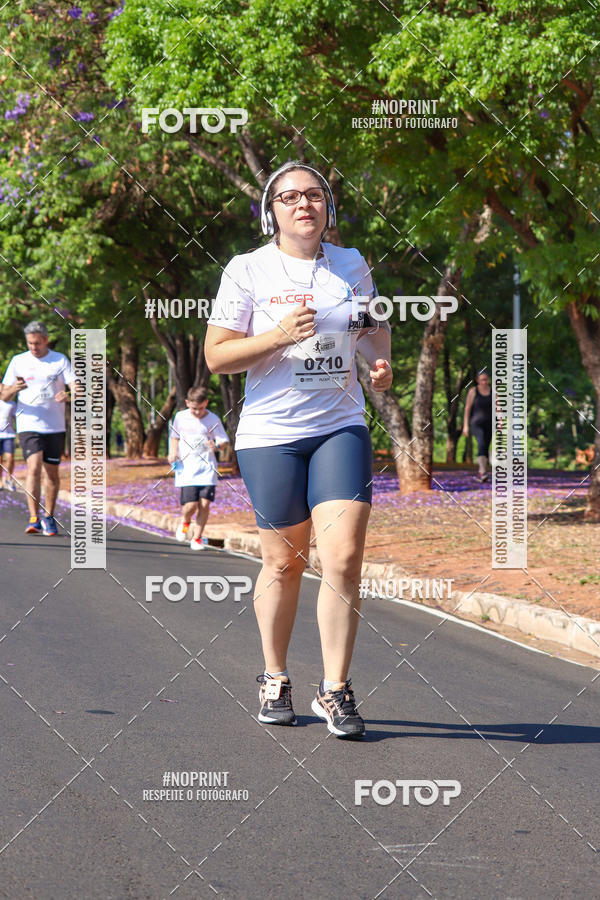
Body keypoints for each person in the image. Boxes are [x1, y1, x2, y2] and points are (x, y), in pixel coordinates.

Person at [205, 161, 392, 739]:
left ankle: (335, 689)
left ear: (327, 207)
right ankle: (275, 675)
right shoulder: (247, 270)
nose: (302, 204)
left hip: (340, 426)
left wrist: (379, 364)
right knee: (284, 562)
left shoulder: (351, 264)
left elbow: (370, 326)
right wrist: (279, 336)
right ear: (272, 211)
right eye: (289, 197)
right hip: (270, 435)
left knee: (340, 558)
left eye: (313, 195)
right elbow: (217, 356)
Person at [0, 321, 75, 534]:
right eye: (30, 343)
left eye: (38, 343)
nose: (34, 347)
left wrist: (69, 395)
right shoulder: (18, 361)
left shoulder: (59, 360)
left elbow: (76, 388)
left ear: (46, 340)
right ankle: (33, 517)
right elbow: (4, 395)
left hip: (54, 426)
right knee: (33, 466)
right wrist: (14, 388)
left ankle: (48, 516)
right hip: (28, 424)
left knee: (51, 472)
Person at [167, 386, 229, 550]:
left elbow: (223, 442)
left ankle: (197, 538)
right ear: (187, 403)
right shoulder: (180, 417)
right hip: (187, 469)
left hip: (207, 469)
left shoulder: (213, 419)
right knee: (190, 505)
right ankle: (185, 521)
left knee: (205, 504)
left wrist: (215, 445)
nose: (197, 412)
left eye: (201, 408)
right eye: (194, 408)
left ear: (206, 403)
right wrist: (172, 453)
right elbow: (174, 437)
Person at [462, 371, 493, 482]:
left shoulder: (493, 391)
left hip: (490, 424)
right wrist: (465, 426)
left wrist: (500, 422)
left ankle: (481, 472)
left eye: (486, 379)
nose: (484, 382)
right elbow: (467, 409)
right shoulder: (473, 391)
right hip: (476, 424)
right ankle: (484, 472)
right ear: (478, 380)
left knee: (485, 447)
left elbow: (498, 408)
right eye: (482, 379)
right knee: (481, 444)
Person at [0, 397, 17, 491]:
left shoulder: (12, 404)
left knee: (10, 457)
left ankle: (9, 478)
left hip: (9, 434)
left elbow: (16, 418)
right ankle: (0, 481)